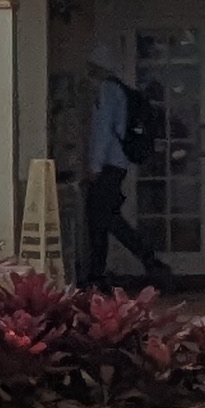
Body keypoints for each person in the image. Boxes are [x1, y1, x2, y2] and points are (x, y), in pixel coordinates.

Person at [82, 59, 171, 288]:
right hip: (117, 163)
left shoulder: (107, 90)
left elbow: (102, 129)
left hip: (108, 165)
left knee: (102, 218)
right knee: (105, 218)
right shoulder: (120, 90)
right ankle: (101, 271)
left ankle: (140, 260)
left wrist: (94, 166)